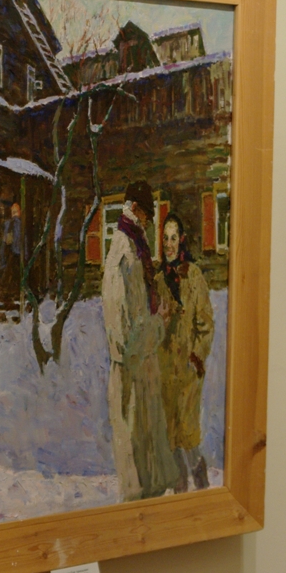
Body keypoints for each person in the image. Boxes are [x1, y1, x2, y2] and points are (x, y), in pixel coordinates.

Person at [101, 181, 178, 501]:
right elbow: (124, 328)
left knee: (147, 447)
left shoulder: (135, 245)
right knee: (136, 453)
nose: (147, 221)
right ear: (134, 209)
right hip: (131, 366)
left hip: (141, 361)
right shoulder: (125, 251)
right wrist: (158, 324)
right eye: (145, 214)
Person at [155, 213, 215, 492]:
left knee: (188, 436)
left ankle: (202, 487)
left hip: (189, 373)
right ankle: (180, 494)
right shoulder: (158, 280)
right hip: (165, 372)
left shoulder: (194, 276)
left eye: (173, 238)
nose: (169, 244)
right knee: (170, 438)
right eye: (165, 238)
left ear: (181, 240)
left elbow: (206, 324)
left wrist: (196, 357)